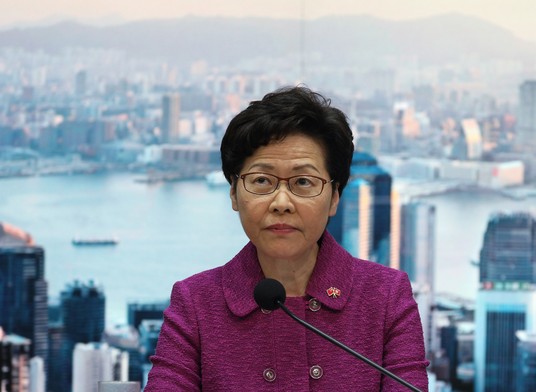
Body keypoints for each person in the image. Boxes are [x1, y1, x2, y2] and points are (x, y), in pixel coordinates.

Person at [145, 86, 429, 391]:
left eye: (303, 182)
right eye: (262, 181)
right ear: (233, 193)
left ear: (334, 197)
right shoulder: (196, 303)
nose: (282, 202)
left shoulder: (386, 297)